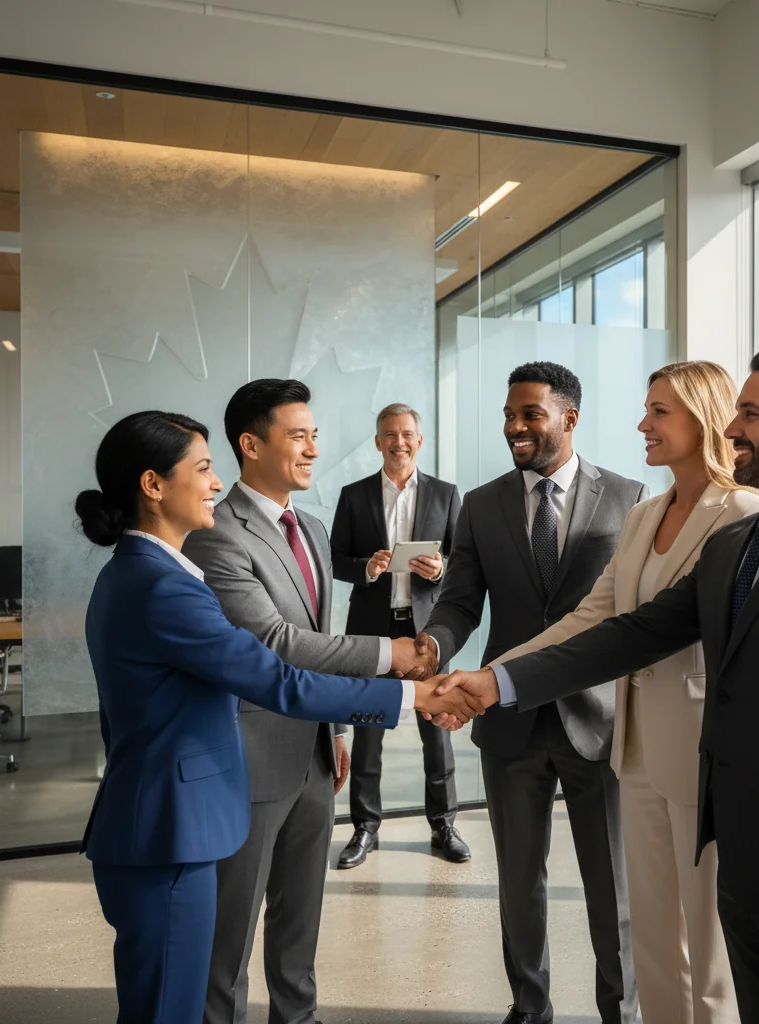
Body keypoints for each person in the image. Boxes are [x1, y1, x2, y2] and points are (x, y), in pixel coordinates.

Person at [436, 350, 759, 1024]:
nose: (733, 429)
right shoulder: (739, 545)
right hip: (742, 856)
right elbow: (629, 632)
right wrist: (497, 683)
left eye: (751, 414)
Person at [76, 409, 479, 1024]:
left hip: (162, 822)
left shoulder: (136, 574)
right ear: (153, 486)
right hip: (168, 830)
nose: (215, 483)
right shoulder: (166, 588)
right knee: (174, 1005)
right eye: (204, 468)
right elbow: (277, 677)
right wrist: (414, 695)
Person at [489, 362, 759, 1024]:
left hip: (704, 759)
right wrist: (489, 678)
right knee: (657, 944)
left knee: (709, 952)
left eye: (659, 411)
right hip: (635, 752)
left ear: (702, 417)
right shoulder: (644, 516)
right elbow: (588, 618)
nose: (643, 424)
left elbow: (656, 631)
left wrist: (490, 681)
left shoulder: (744, 513)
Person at [180, 381, 435, 1024]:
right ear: (250, 444)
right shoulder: (216, 535)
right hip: (253, 756)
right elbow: (276, 643)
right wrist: (393, 657)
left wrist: (339, 727)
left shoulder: (314, 527)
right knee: (230, 932)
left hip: (316, 752)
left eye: (315, 435)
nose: (313, 448)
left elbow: (318, 635)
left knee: (301, 919)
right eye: (298, 435)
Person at [417, 361, 648, 1024]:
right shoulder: (481, 504)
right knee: (519, 882)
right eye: (509, 415)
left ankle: (621, 1013)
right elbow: (461, 602)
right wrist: (434, 646)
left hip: (599, 719)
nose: (514, 427)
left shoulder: (630, 498)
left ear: (569, 419)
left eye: (530, 415)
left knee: (612, 886)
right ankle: (529, 1007)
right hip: (508, 719)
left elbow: (635, 613)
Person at [330, 402, 468, 868]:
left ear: (419, 440)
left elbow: (463, 563)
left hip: (427, 631)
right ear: (378, 442)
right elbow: (334, 559)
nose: (399, 442)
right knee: (369, 732)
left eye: (407, 434)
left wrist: (442, 568)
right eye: (390, 434)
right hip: (372, 631)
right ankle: (365, 829)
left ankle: (443, 825)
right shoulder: (353, 495)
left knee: (437, 730)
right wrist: (365, 568)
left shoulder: (447, 495)